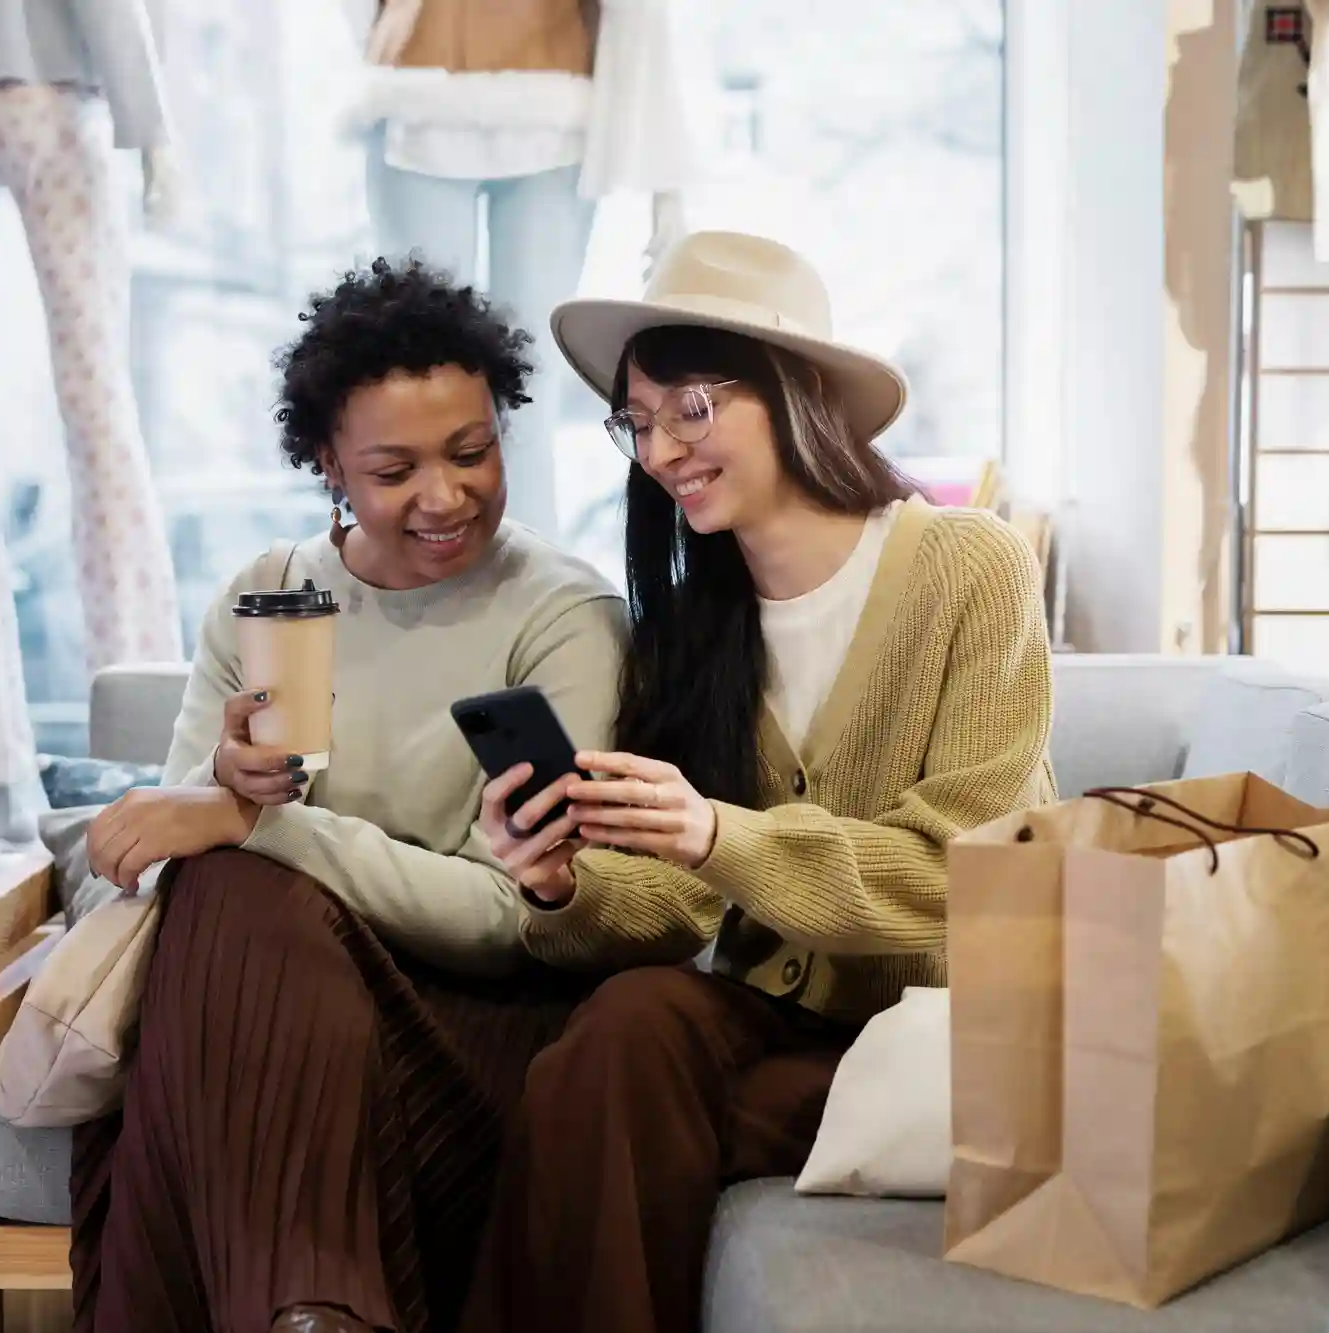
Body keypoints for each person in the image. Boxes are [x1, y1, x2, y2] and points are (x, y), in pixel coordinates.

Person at [464, 230, 1056, 1333]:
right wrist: (559, 884)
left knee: (588, 1100)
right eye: (636, 423)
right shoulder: (690, 629)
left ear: (794, 393)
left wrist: (718, 836)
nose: (660, 450)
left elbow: (967, 871)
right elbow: (675, 900)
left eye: (691, 407)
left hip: (948, 1031)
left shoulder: (969, 566)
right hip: (778, 1031)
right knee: (622, 1029)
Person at [68, 256, 629, 1333]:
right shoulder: (264, 600)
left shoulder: (560, 616)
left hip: (462, 1035)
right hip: (264, 1035)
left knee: (238, 886)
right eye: (392, 468)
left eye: (471, 451)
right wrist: (220, 804)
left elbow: (513, 921)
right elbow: (149, 873)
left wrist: (258, 827)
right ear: (326, 461)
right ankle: (312, 1311)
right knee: (228, 901)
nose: (443, 495)